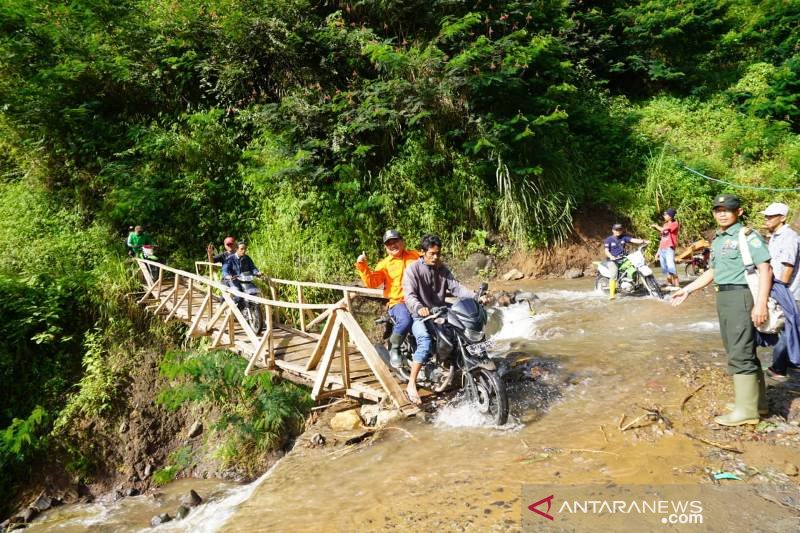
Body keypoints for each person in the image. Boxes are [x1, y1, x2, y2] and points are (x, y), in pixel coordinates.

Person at [672, 194, 772, 426]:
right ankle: (758, 403)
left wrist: (760, 303)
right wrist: (687, 290)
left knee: (740, 351)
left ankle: (746, 411)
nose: (722, 213)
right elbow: (712, 273)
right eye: (718, 210)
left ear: (739, 212)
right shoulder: (717, 240)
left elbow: (765, 269)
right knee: (739, 348)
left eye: (728, 209)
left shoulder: (747, 236)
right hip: (724, 296)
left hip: (742, 296)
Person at [402, 234, 475, 405]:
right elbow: (409, 295)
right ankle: (411, 383)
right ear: (422, 253)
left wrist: (476, 297)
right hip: (418, 314)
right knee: (425, 341)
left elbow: (457, 288)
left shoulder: (442, 269)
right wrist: (420, 308)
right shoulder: (413, 270)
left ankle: (459, 363)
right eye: (431, 254)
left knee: (464, 327)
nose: (435, 257)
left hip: (440, 311)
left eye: (438, 254)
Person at [356, 229, 421, 369]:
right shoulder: (384, 264)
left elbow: (431, 263)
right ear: (386, 248)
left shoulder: (415, 255)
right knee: (405, 320)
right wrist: (362, 266)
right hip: (399, 302)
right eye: (389, 243)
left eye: (395, 241)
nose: (393, 245)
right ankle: (394, 349)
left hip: (418, 299)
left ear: (402, 242)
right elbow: (372, 283)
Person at [761, 202, 800, 382]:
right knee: (787, 326)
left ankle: (779, 368)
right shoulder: (775, 236)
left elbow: (787, 267)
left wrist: (778, 289)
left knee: (786, 328)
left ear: (782, 218)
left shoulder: (789, 236)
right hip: (781, 287)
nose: (766, 219)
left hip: (788, 290)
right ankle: (792, 361)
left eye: (770, 216)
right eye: (766, 216)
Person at [603, 223, 649, 299]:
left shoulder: (624, 237)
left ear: (622, 230)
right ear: (613, 230)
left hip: (624, 258)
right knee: (613, 275)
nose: (618, 231)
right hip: (613, 260)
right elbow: (606, 251)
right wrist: (611, 256)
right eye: (616, 230)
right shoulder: (609, 240)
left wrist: (644, 241)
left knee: (634, 267)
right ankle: (612, 295)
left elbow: (633, 240)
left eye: (620, 229)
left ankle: (633, 285)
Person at [651, 208, 680, 288]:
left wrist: (656, 226)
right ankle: (670, 284)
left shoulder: (675, 223)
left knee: (671, 266)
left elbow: (663, 229)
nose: (664, 216)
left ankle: (677, 285)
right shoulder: (665, 224)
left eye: (665, 214)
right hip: (663, 249)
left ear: (670, 216)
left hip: (669, 248)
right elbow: (662, 239)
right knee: (666, 268)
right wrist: (657, 253)